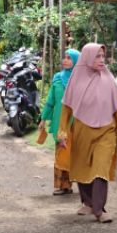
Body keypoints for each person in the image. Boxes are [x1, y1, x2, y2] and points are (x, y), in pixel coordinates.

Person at [57, 43, 117, 223]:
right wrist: (63, 132)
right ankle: (87, 203)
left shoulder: (108, 79)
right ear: (87, 57)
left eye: (103, 56)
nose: (101, 60)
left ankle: (99, 210)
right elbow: (66, 108)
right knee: (82, 168)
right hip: (82, 132)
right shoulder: (76, 79)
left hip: (106, 132)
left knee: (100, 170)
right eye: (97, 56)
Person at [38, 48, 80, 195]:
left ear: (76, 61)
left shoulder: (81, 80)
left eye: (69, 58)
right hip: (58, 122)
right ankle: (62, 185)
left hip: (75, 123)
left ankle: (75, 184)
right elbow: (50, 101)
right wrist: (43, 119)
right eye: (65, 57)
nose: (65, 60)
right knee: (60, 152)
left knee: (73, 153)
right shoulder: (57, 78)